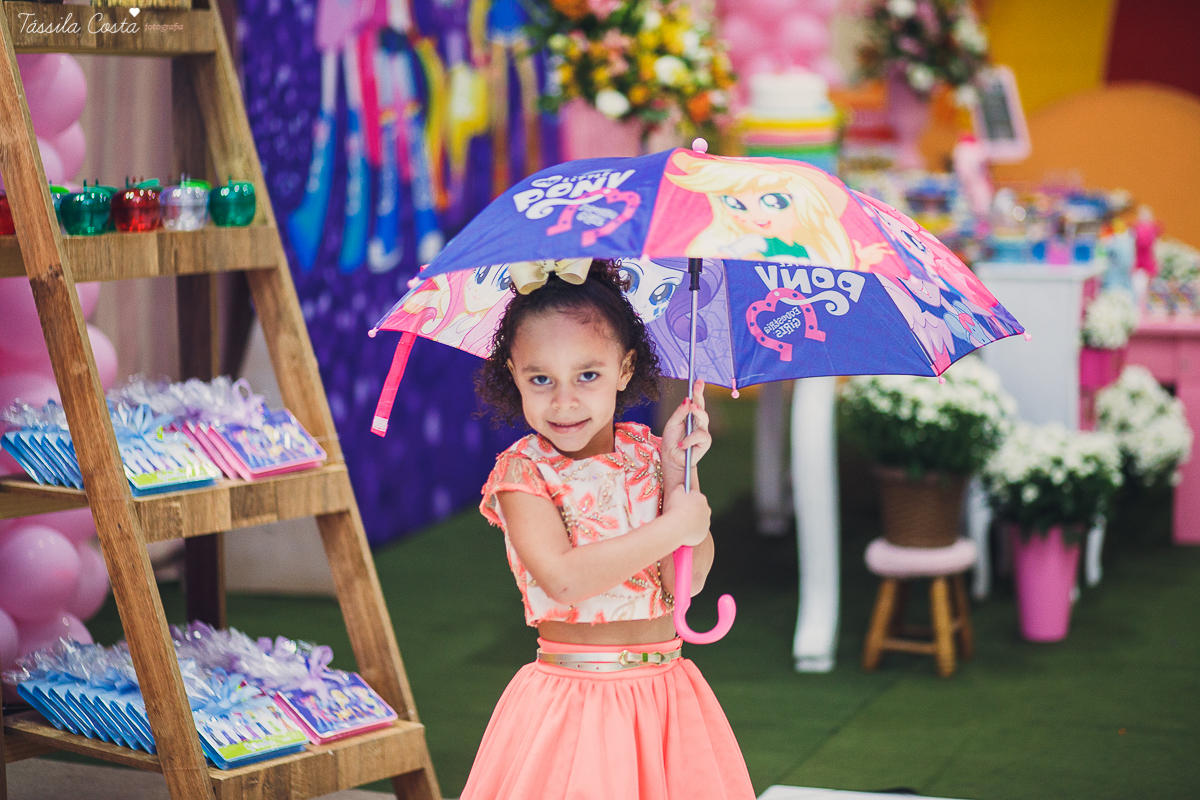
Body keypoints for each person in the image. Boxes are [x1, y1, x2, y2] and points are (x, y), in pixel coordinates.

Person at [463, 258, 755, 800]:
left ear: (625, 369)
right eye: (541, 378)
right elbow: (565, 580)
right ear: (513, 373)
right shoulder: (522, 471)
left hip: (668, 690)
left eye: (588, 375)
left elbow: (685, 585)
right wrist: (675, 526)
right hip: (575, 699)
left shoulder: (647, 452)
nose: (565, 400)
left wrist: (676, 476)